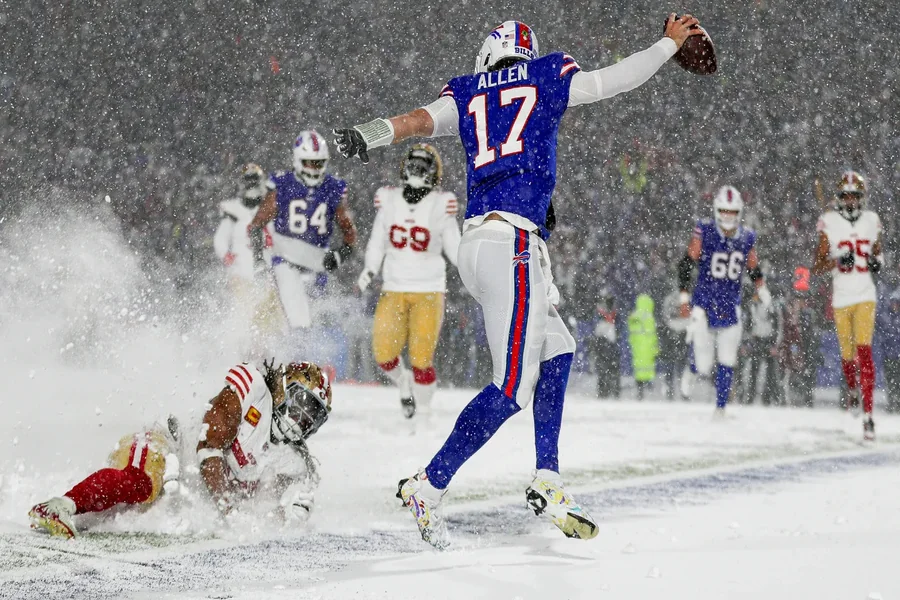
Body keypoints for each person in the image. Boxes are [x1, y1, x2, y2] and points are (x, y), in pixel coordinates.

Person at [334, 16, 704, 547]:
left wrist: (369, 133)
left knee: (559, 348)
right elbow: (613, 80)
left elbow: (416, 121)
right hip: (511, 245)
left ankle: (547, 476)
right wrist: (668, 44)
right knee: (511, 387)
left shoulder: (468, 91)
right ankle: (428, 485)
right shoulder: (546, 75)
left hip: (483, 244)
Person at [357, 144, 461, 418]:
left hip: (429, 289)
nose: (416, 171)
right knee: (383, 354)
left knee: (421, 359)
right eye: (413, 165)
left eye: (422, 167)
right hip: (393, 287)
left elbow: (454, 248)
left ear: (433, 172)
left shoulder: (441, 203)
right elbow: (377, 241)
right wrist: (370, 268)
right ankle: (403, 382)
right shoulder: (389, 200)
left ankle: (423, 412)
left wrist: (472, 268)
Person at [247, 131, 358, 336]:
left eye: (318, 163)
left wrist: (340, 254)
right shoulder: (282, 184)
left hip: (317, 263)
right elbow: (256, 225)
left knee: (318, 324)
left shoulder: (333, 187)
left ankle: (300, 352)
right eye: (309, 162)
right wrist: (258, 259)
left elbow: (349, 233)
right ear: (298, 160)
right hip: (286, 261)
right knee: (298, 322)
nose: (314, 168)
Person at [678, 186, 773, 416]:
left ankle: (720, 408)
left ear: (739, 212)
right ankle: (693, 367)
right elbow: (686, 263)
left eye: (732, 211)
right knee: (704, 365)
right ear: (716, 210)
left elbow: (752, 265)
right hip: (704, 304)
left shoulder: (747, 236)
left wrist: (761, 287)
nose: (728, 216)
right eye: (724, 211)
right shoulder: (705, 230)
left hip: (730, 304)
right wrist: (684, 297)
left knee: (728, 358)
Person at [197, 360, 332, 521]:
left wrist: (288, 513)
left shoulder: (295, 462)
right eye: (301, 405)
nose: (303, 420)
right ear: (284, 387)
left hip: (216, 506)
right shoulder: (255, 391)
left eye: (313, 416)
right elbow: (208, 445)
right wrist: (229, 510)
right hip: (186, 462)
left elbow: (265, 510)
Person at [812, 171, 883, 440]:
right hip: (841, 297)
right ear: (840, 198)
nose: (851, 201)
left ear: (862, 198)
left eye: (855, 196)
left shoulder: (871, 220)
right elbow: (817, 266)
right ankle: (852, 389)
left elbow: (879, 255)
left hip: (865, 294)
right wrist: (838, 261)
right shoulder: (829, 222)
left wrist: (877, 262)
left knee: (864, 352)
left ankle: (868, 416)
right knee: (847, 356)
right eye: (846, 196)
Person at [28, 417, 182, 539]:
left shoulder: (140, 441)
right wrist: (172, 481)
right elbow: (171, 470)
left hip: (134, 452)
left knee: (119, 488)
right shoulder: (160, 445)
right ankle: (62, 506)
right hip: (146, 454)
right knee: (135, 482)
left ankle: (68, 510)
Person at [660, 289, 690, 400]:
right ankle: (681, 390)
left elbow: (665, 316)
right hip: (682, 331)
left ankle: (672, 389)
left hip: (673, 331)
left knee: (671, 362)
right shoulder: (686, 298)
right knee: (680, 362)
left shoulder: (669, 299)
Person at [628, 293, 658, 400]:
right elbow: (653, 335)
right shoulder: (650, 318)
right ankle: (648, 387)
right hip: (648, 347)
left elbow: (631, 332)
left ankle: (640, 390)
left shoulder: (634, 316)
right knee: (648, 368)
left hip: (637, 347)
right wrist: (655, 349)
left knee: (638, 368)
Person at [591, 290, 620, 399]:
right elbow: (596, 328)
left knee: (611, 368)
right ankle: (604, 390)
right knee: (604, 368)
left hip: (610, 343)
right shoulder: (600, 312)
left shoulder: (614, 312)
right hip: (603, 343)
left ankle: (613, 390)